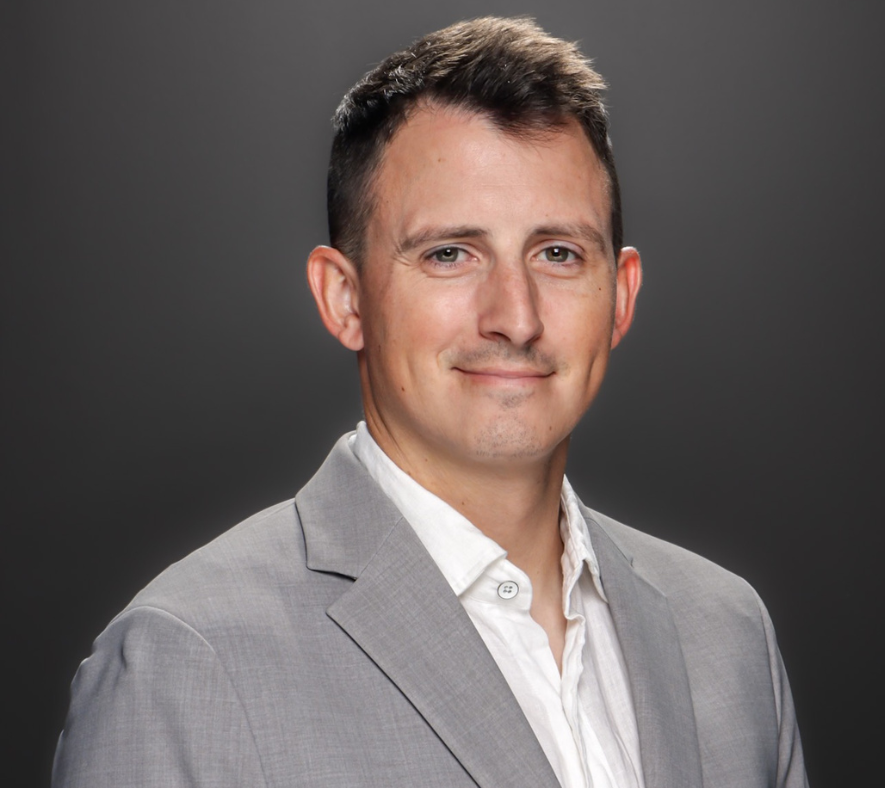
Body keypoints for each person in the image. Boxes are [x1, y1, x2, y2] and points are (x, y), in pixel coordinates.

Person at [52, 16, 808, 788]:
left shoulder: (727, 635)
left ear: (621, 295)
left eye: (558, 253)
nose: (515, 317)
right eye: (450, 254)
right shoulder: (186, 664)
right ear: (344, 298)